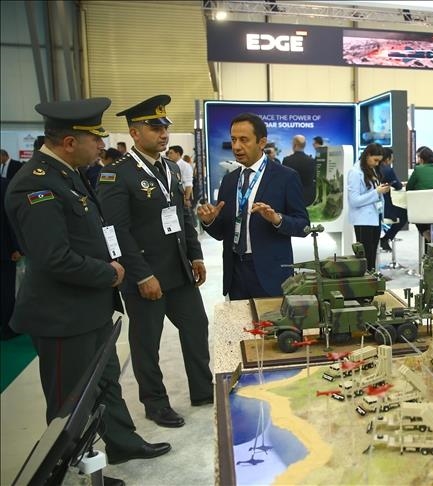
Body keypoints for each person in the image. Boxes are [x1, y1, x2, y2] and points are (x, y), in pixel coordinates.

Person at [3, 97, 170, 473]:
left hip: (89, 308)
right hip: (63, 316)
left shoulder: (67, 173)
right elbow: (54, 257)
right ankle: (68, 472)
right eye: (95, 138)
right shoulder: (35, 185)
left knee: (106, 382)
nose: (101, 145)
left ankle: (123, 443)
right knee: (70, 403)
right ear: (69, 142)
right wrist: (109, 274)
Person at [98, 95, 213, 429]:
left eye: (165, 128)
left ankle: (203, 390)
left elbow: (182, 216)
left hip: (178, 270)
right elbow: (116, 231)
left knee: (196, 327)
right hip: (146, 276)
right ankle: (155, 402)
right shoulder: (116, 174)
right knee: (146, 343)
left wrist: (195, 254)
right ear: (135, 133)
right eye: (155, 128)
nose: (163, 134)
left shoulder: (171, 168)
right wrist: (141, 275)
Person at [197, 113, 310, 300]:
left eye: (244, 140)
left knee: (272, 320)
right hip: (235, 274)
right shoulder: (229, 181)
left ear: (261, 142)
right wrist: (209, 222)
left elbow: (303, 225)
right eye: (233, 139)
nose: (236, 147)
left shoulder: (286, 177)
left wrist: (277, 219)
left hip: (271, 274)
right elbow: (221, 233)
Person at [347, 143, 390, 272]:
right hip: (363, 220)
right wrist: (376, 192)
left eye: (379, 161)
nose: (377, 164)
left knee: (372, 256)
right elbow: (354, 201)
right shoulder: (355, 173)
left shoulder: (372, 170)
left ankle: (372, 278)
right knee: (365, 257)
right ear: (367, 155)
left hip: (375, 218)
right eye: (375, 160)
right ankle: (366, 280)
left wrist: (381, 191)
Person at [0, 178, 21, 340]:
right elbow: (11, 218)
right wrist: (16, 247)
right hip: (4, 249)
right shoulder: (4, 184)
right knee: (6, 289)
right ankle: (8, 328)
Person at [406, 145, 433, 242]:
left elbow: (409, 188)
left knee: (416, 212)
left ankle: (425, 233)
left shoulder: (418, 170)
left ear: (421, 159)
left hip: (420, 211)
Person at [378, 147, 406, 252]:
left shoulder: (374, 169)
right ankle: (386, 238)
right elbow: (398, 186)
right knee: (404, 214)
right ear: (387, 159)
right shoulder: (387, 170)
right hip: (385, 208)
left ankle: (385, 239)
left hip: (376, 207)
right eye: (391, 160)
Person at [281, 134, 317, 206]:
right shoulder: (312, 161)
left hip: (291, 197)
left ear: (294, 145)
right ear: (304, 145)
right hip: (308, 198)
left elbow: (283, 179)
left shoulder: (287, 160)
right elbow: (314, 177)